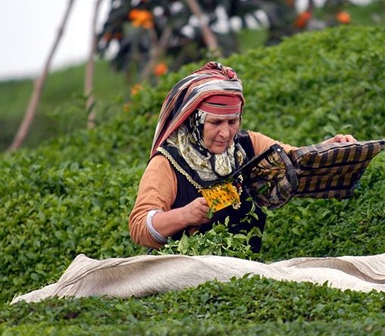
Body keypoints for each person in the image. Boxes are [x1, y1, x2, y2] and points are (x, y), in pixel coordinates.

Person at [129, 61, 357, 253]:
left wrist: (330, 147)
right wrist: (184, 215)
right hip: (184, 275)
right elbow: (139, 227)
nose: (226, 133)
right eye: (215, 123)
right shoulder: (167, 163)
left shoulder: (250, 145)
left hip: (243, 272)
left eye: (232, 122)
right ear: (194, 121)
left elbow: (295, 160)